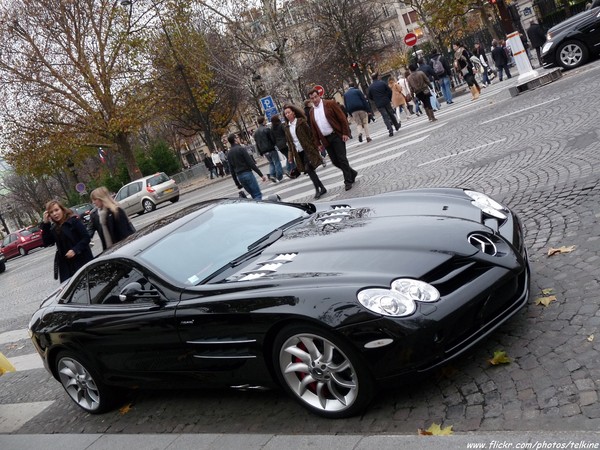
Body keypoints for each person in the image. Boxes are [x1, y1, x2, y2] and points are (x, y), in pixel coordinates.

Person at [307, 88, 358, 191]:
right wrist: (318, 143)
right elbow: (314, 128)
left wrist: (345, 133)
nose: (315, 99)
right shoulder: (312, 111)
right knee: (334, 161)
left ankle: (348, 181)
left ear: (319, 96)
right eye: (312, 98)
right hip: (325, 139)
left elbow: (342, 118)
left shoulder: (329, 104)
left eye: (316, 97)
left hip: (336, 135)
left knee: (342, 158)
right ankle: (352, 172)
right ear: (310, 99)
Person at [41, 200, 94, 282]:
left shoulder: (73, 221)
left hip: (82, 260)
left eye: (56, 210)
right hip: (66, 266)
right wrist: (45, 223)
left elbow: (86, 238)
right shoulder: (54, 228)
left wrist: (75, 250)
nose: (55, 214)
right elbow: (47, 242)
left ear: (62, 209)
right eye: (51, 212)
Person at [283, 104, 327, 199]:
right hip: (299, 153)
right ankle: (322, 187)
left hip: (308, 150)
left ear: (293, 113)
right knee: (310, 171)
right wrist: (290, 157)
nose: (287, 114)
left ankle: (317, 190)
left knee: (308, 169)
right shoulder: (287, 127)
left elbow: (311, 135)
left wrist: (317, 145)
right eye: (285, 113)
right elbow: (290, 143)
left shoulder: (301, 122)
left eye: (289, 112)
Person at [88, 186, 135, 251]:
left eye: (95, 199)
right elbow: (90, 230)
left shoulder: (116, 211)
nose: (93, 202)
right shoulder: (95, 215)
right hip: (109, 250)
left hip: (124, 248)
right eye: (92, 200)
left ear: (102, 198)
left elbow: (125, 232)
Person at [227, 133, 268, 200]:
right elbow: (251, 163)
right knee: (257, 195)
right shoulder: (241, 149)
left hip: (240, 176)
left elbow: (231, 170)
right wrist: (261, 175)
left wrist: (237, 183)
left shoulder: (229, 154)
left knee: (253, 195)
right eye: (237, 137)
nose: (238, 138)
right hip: (247, 173)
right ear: (235, 140)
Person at [367, 72, 401, 137]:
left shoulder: (370, 87)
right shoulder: (382, 83)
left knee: (385, 116)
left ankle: (390, 129)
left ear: (372, 79)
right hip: (386, 101)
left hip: (379, 103)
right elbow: (389, 91)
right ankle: (396, 125)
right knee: (391, 113)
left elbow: (370, 96)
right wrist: (388, 98)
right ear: (377, 77)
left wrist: (375, 100)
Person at [253, 116, 284, 183]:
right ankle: (279, 176)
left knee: (271, 163)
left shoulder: (255, 133)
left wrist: (260, 152)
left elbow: (257, 143)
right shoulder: (267, 129)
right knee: (277, 162)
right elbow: (272, 138)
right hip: (271, 148)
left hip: (264, 151)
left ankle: (272, 175)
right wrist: (274, 144)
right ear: (263, 121)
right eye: (265, 120)